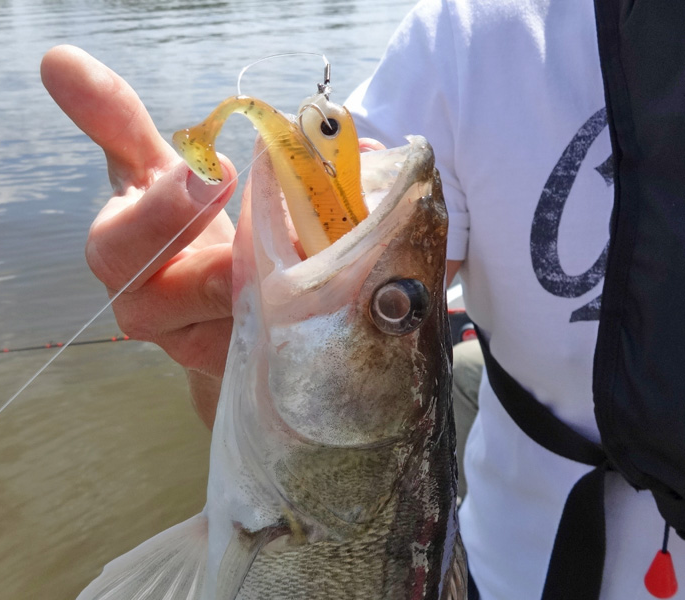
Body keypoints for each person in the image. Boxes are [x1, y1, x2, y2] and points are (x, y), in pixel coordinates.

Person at [41, 0, 684, 597]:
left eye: (389, 309)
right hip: (498, 568)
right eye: (390, 309)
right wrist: (218, 335)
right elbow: (290, 400)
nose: (387, 306)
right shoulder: (479, 32)